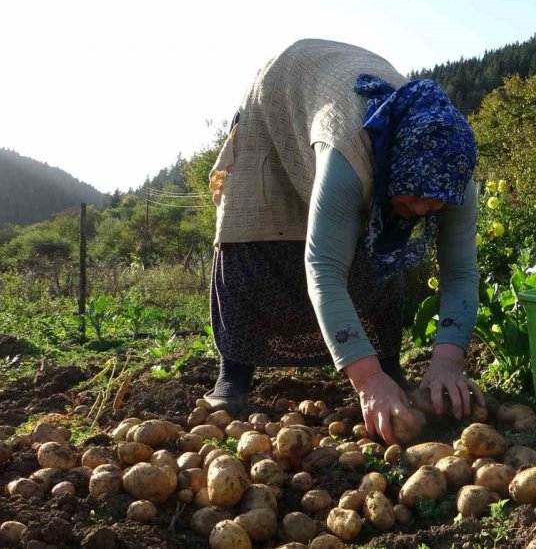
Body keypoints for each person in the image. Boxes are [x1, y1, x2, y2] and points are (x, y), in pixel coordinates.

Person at [205, 39, 483, 445]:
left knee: (378, 252)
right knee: (256, 229)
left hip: (335, 108)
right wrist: (366, 381)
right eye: (414, 195)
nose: (425, 209)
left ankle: (388, 367)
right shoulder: (352, 153)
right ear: (390, 168)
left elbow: (460, 272)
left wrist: (447, 362)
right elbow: (324, 269)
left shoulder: (455, 172)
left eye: (435, 201)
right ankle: (234, 374)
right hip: (281, 94)